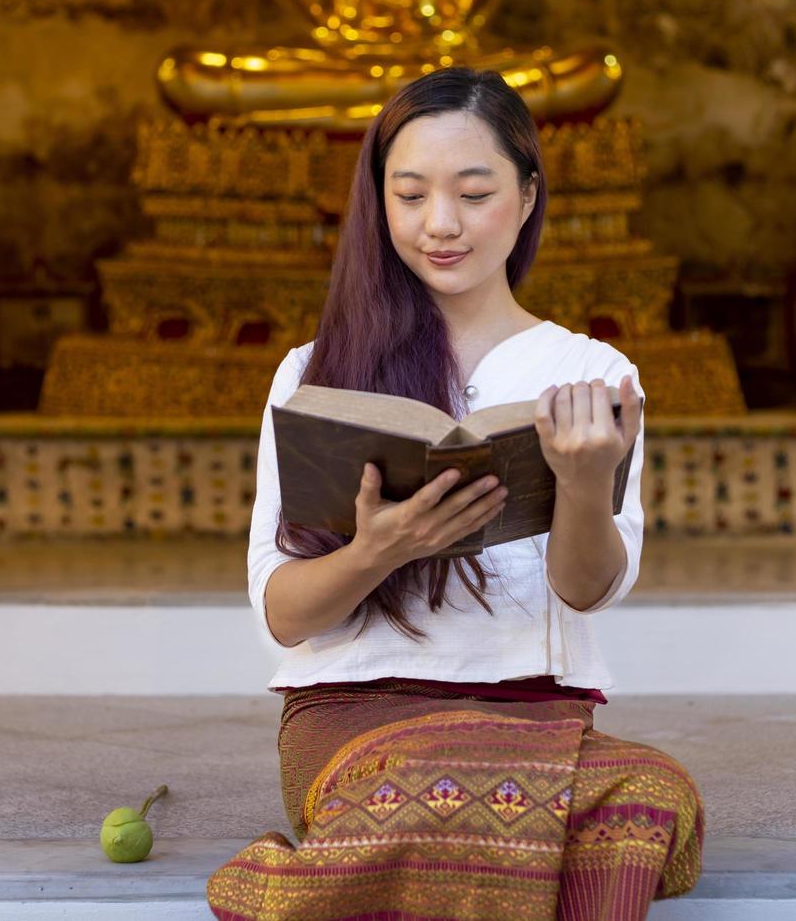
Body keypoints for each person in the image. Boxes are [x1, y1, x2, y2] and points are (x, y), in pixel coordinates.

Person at [207, 68, 704, 920]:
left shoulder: (591, 375)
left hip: (535, 721)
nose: (441, 224)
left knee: (651, 795)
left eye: (474, 194)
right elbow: (283, 614)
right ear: (380, 202)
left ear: (528, 196)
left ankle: (322, 885)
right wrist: (379, 550)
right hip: (357, 723)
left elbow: (588, 589)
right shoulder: (314, 375)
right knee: (456, 798)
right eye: (410, 195)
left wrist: (584, 483)